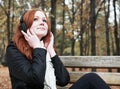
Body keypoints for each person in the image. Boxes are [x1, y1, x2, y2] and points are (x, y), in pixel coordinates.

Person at [6, 8, 111, 89]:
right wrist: (37, 47)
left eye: (44, 20)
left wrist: (51, 51)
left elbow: (63, 80)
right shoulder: (14, 49)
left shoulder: (45, 49)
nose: (42, 22)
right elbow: (36, 80)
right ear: (24, 26)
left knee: (91, 78)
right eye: (35, 19)